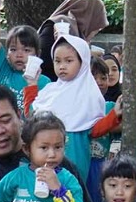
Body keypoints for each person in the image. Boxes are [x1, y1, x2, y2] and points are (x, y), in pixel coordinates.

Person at [29, 33, 104, 183]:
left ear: (82, 62)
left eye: (68, 61)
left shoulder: (89, 94)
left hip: (75, 153)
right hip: (44, 155)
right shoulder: (50, 90)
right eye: (57, 61)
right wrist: (31, 85)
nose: (62, 66)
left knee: (71, 191)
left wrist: (115, 115)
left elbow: (94, 128)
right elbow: (31, 114)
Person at [0, 0, 46, 112]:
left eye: (26, 50)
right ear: (7, 54)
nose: (19, 54)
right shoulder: (3, 70)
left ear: (37, 54)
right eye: (13, 49)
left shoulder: (44, 83)